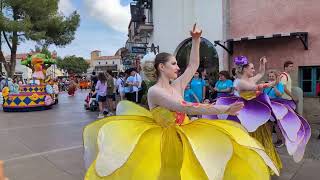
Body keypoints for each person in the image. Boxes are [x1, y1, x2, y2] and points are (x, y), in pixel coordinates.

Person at [83, 24, 279, 179]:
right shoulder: (154, 92)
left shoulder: (177, 85)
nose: (178, 67)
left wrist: (196, 40)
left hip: (185, 131)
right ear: (162, 67)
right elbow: (185, 107)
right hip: (165, 139)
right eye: (174, 64)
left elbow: (193, 65)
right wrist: (225, 108)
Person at [205, 56, 311, 174]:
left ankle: (264, 165)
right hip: (245, 116)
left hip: (255, 114)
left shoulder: (250, 79)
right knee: (250, 140)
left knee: (263, 137)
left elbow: (261, 73)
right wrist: (272, 83)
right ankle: (251, 167)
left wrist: (263, 64)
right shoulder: (239, 82)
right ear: (245, 69)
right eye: (252, 68)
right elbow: (255, 87)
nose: (254, 70)